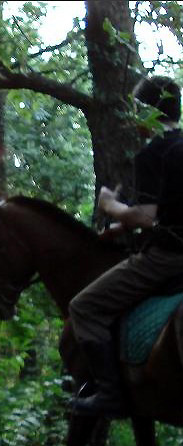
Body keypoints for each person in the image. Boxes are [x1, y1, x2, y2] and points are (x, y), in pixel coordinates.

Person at [70, 75, 183, 418]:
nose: (134, 119)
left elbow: (148, 218)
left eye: (137, 111)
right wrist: (120, 228)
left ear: (147, 112)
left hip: (169, 259)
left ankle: (110, 397)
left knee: (83, 307)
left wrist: (110, 206)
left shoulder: (153, 153)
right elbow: (170, 212)